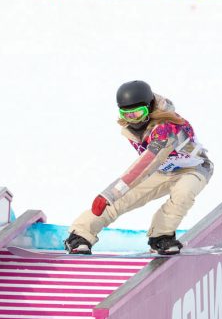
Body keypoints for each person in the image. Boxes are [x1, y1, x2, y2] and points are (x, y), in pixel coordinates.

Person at [63, 80, 213, 255]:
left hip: (194, 168)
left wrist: (109, 193)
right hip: (162, 170)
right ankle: (81, 235)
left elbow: (147, 162)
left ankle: (161, 237)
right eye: (127, 114)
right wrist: (114, 196)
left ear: (149, 107)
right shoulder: (133, 126)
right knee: (121, 200)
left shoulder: (166, 127)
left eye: (137, 113)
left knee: (183, 193)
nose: (133, 120)